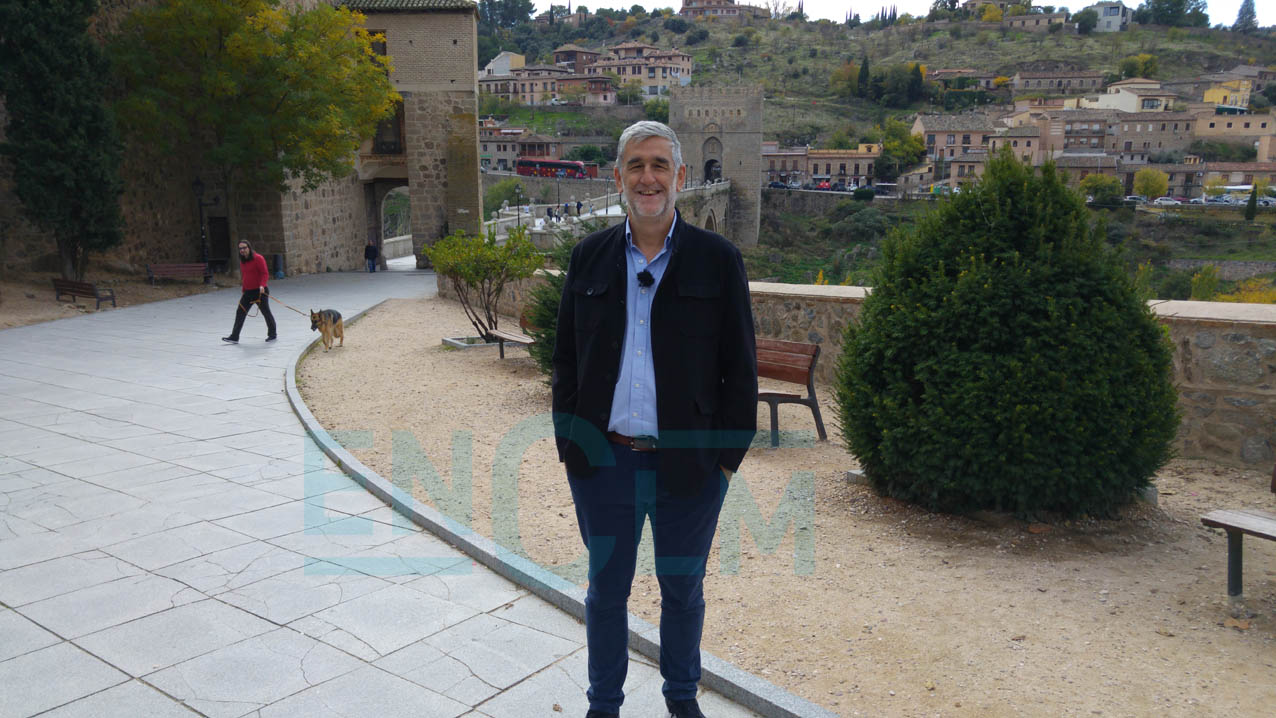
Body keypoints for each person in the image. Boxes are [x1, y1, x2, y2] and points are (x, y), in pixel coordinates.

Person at [551, 121, 757, 718]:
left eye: (660, 165)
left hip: (690, 465)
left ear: (681, 177)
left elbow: (739, 370)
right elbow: (566, 359)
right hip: (604, 462)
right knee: (606, 592)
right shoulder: (588, 258)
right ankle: (604, 705)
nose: (648, 177)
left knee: (682, 591)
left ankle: (681, 700)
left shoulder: (718, 261)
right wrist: (572, 445)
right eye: (637, 165)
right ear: (618, 177)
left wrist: (724, 462)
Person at [222, 240, 277, 343]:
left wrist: (262, 285)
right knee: (240, 312)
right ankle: (234, 337)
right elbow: (245, 277)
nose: (242, 250)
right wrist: (244, 289)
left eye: (244, 248)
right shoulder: (242, 261)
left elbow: (265, 273)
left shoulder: (258, 258)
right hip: (248, 292)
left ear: (249, 248)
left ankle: (272, 334)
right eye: (240, 249)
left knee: (266, 312)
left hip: (260, 291)